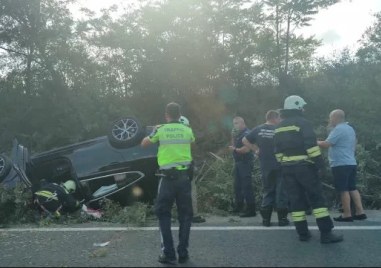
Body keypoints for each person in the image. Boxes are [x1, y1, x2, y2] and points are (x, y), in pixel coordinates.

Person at [273, 95, 343, 243]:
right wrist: (320, 166)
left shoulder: (279, 127)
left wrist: (284, 163)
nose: (304, 109)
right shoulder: (303, 123)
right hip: (305, 168)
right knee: (317, 199)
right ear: (297, 107)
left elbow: (277, 151)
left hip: (287, 169)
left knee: (295, 201)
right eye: (302, 107)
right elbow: (311, 147)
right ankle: (326, 234)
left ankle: (303, 234)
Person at [141, 102, 194, 265]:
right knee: (185, 215)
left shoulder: (161, 129)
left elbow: (144, 144)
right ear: (180, 115)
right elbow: (191, 142)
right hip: (184, 177)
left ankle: (169, 254)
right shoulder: (187, 130)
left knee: (163, 213)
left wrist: (154, 131)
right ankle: (183, 254)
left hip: (167, 179)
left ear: (166, 115)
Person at [317, 109, 367, 222]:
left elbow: (326, 144)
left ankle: (347, 214)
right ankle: (360, 212)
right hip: (351, 162)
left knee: (343, 189)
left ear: (336, 117)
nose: (330, 120)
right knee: (352, 188)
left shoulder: (338, 129)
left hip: (340, 164)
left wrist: (314, 142)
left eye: (331, 118)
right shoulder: (350, 128)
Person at [242, 110, 289, 227]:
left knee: (268, 191)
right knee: (281, 192)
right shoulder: (279, 129)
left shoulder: (258, 129)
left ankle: (266, 220)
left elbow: (244, 140)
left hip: (265, 165)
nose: (280, 121)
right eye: (279, 118)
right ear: (274, 118)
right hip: (280, 164)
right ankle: (282, 220)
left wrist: (255, 149)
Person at [179, 115, 206, 224]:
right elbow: (193, 147)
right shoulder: (188, 132)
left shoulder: (166, 132)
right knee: (191, 190)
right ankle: (193, 215)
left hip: (170, 167)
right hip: (186, 167)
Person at [228, 116, 256, 217]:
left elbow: (246, 149)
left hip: (245, 163)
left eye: (236, 123)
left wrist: (235, 150)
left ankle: (251, 209)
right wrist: (233, 137)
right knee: (237, 186)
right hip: (238, 163)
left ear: (242, 123)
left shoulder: (247, 134)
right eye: (233, 123)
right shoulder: (238, 134)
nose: (234, 125)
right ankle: (238, 207)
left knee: (246, 186)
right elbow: (234, 145)